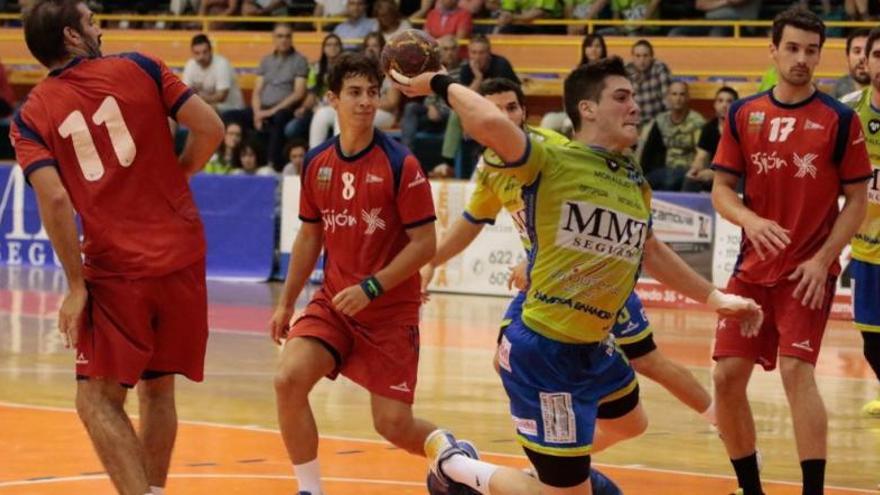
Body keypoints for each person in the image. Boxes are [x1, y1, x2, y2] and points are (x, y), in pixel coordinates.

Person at [391, 57, 762, 495]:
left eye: (633, 98)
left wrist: (715, 299)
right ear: (587, 109)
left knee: (632, 421)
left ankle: (556, 469)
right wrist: (439, 82)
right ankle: (456, 466)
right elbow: (488, 127)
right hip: (547, 349)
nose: (635, 107)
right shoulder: (547, 158)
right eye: (621, 98)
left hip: (591, 343)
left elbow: (650, 248)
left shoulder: (630, 176)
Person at [423, 76, 716, 437]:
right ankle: (560, 450)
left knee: (648, 360)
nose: (506, 117)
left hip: (593, 277)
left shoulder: (553, 149)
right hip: (551, 284)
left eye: (512, 107)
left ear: (524, 111)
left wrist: (532, 260)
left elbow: (590, 205)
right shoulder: (490, 169)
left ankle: (721, 420)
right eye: (496, 110)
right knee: (506, 359)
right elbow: (472, 221)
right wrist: (431, 261)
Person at [12, 2, 224, 494]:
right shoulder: (143, 67)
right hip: (184, 252)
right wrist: (183, 172)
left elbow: (56, 197)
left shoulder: (31, 115)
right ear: (70, 35)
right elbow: (211, 127)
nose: (99, 28)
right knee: (159, 387)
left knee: (95, 401)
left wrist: (74, 285)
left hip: (120, 267)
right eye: (90, 22)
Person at [270, 52, 455, 495]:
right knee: (287, 379)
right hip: (335, 304)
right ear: (332, 98)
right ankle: (310, 490)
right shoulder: (317, 163)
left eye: (373, 92)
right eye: (355, 92)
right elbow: (309, 238)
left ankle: (449, 450)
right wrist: (285, 302)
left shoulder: (400, 164)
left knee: (392, 425)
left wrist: (372, 286)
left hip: (388, 310)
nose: (366, 102)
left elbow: (424, 245)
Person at [710, 7, 871, 495]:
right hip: (750, 272)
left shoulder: (840, 120)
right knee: (725, 378)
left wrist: (823, 260)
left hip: (806, 274)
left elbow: (858, 201)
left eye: (812, 50)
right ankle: (751, 488)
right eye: (794, 48)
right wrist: (750, 219)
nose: (802, 59)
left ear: (820, 55)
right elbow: (721, 190)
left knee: (797, 372)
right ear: (773, 50)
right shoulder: (744, 114)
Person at [839, 28, 880, 418]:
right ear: (865, 61)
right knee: (871, 339)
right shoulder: (848, 112)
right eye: (878, 55)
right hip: (866, 249)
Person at [637, 81, 706, 191]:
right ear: (668, 97)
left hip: (687, 170)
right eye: (674, 94)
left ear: (688, 97)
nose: (678, 98)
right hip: (663, 169)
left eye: (682, 94)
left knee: (669, 181)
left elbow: (702, 154)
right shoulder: (660, 120)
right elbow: (647, 150)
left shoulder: (697, 121)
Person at [540, 33, 607, 134]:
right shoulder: (576, 72)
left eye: (597, 46)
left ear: (603, 49)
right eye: (589, 46)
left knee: (569, 124)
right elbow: (568, 97)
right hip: (574, 112)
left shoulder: (608, 72)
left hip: (596, 114)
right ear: (584, 49)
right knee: (548, 121)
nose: (593, 49)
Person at [684, 86, 738, 192]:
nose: (724, 105)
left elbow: (741, 166)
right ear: (715, 105)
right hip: (714, 171)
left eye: (729, 101)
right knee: (690, 180)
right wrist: (695, 170)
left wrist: (715, 174)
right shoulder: (708, 128)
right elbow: (701, 156)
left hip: (736, 174)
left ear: (736, 105)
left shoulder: (741, 128)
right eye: (720, 101)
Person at [182, 33, 244, 114]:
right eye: (197, 53)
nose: (201, 56)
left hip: (231, 108)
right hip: (204, 106)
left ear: (211, 50)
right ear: (192, 53)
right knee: (172, 114)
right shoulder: (190, 64)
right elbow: (185, 92)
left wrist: (198, 98)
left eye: (205, 52)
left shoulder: (221, 64)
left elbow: (222, 97)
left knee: (208, 110)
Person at [625, 39, 671, 127]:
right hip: (631, 125)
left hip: (655, 124)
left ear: (651, 57)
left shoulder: (659, 68)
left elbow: (668, 102)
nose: (642, 60)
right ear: (633, 57)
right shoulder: (626, 71)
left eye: (645, 56)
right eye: (638, 56)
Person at [833, 28, 870, 98]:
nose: (862, 57)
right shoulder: (840, 87)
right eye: (857, 51)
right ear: (847, 57)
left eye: (868, 51)